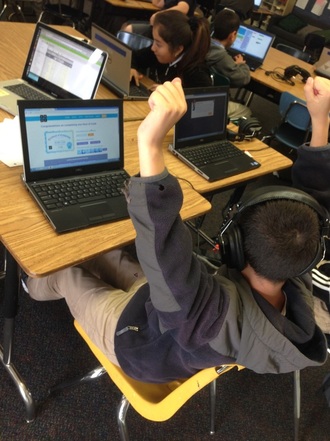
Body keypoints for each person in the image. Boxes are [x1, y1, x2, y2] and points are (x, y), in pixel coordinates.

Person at [24, 76, 330, 383]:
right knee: (100, 252)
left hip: (134, 343)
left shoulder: (209, 317)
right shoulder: (294, 274)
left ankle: (27, 288)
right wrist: (320, 121)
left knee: (65, 272)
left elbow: (163, 240)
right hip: (155, 309)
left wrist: (150, 142)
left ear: (234, 244)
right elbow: (311, 208)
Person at [130, 10, 212, 89]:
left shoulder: (197, 74)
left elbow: (203, 100)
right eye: (154, 40)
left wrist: (171, 93)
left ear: (178, 49)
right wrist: (132, 68)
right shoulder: (157, 53)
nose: (153, 48)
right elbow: (133, 56)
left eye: (158, 44)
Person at [206, 8, 251, 119]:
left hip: (200, 92)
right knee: (246, 111)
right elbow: (243, 79)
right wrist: (241, 64)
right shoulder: (222, 57)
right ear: (232, 35)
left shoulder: (203, 44)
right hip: (212, 101)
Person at [122, 0, 197, 39]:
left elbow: (183, 8)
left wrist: (159, 15)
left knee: (129, 29)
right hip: (163, 24)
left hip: (172, 29)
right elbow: (158, 3)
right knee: (126, 24)